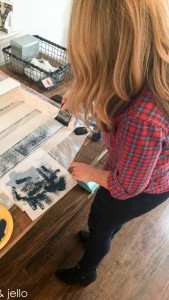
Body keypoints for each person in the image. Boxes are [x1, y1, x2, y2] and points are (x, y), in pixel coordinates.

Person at [56, 0, 169, 286]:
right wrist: (87, 96)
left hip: (138, 187)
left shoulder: (141, 119)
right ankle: (105, 230)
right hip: (141, 171)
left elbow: (128, 186)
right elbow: (116, 90)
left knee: (101, 221)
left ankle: (86, 271)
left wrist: (91, 173)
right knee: (108, 222)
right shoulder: (149, 70)